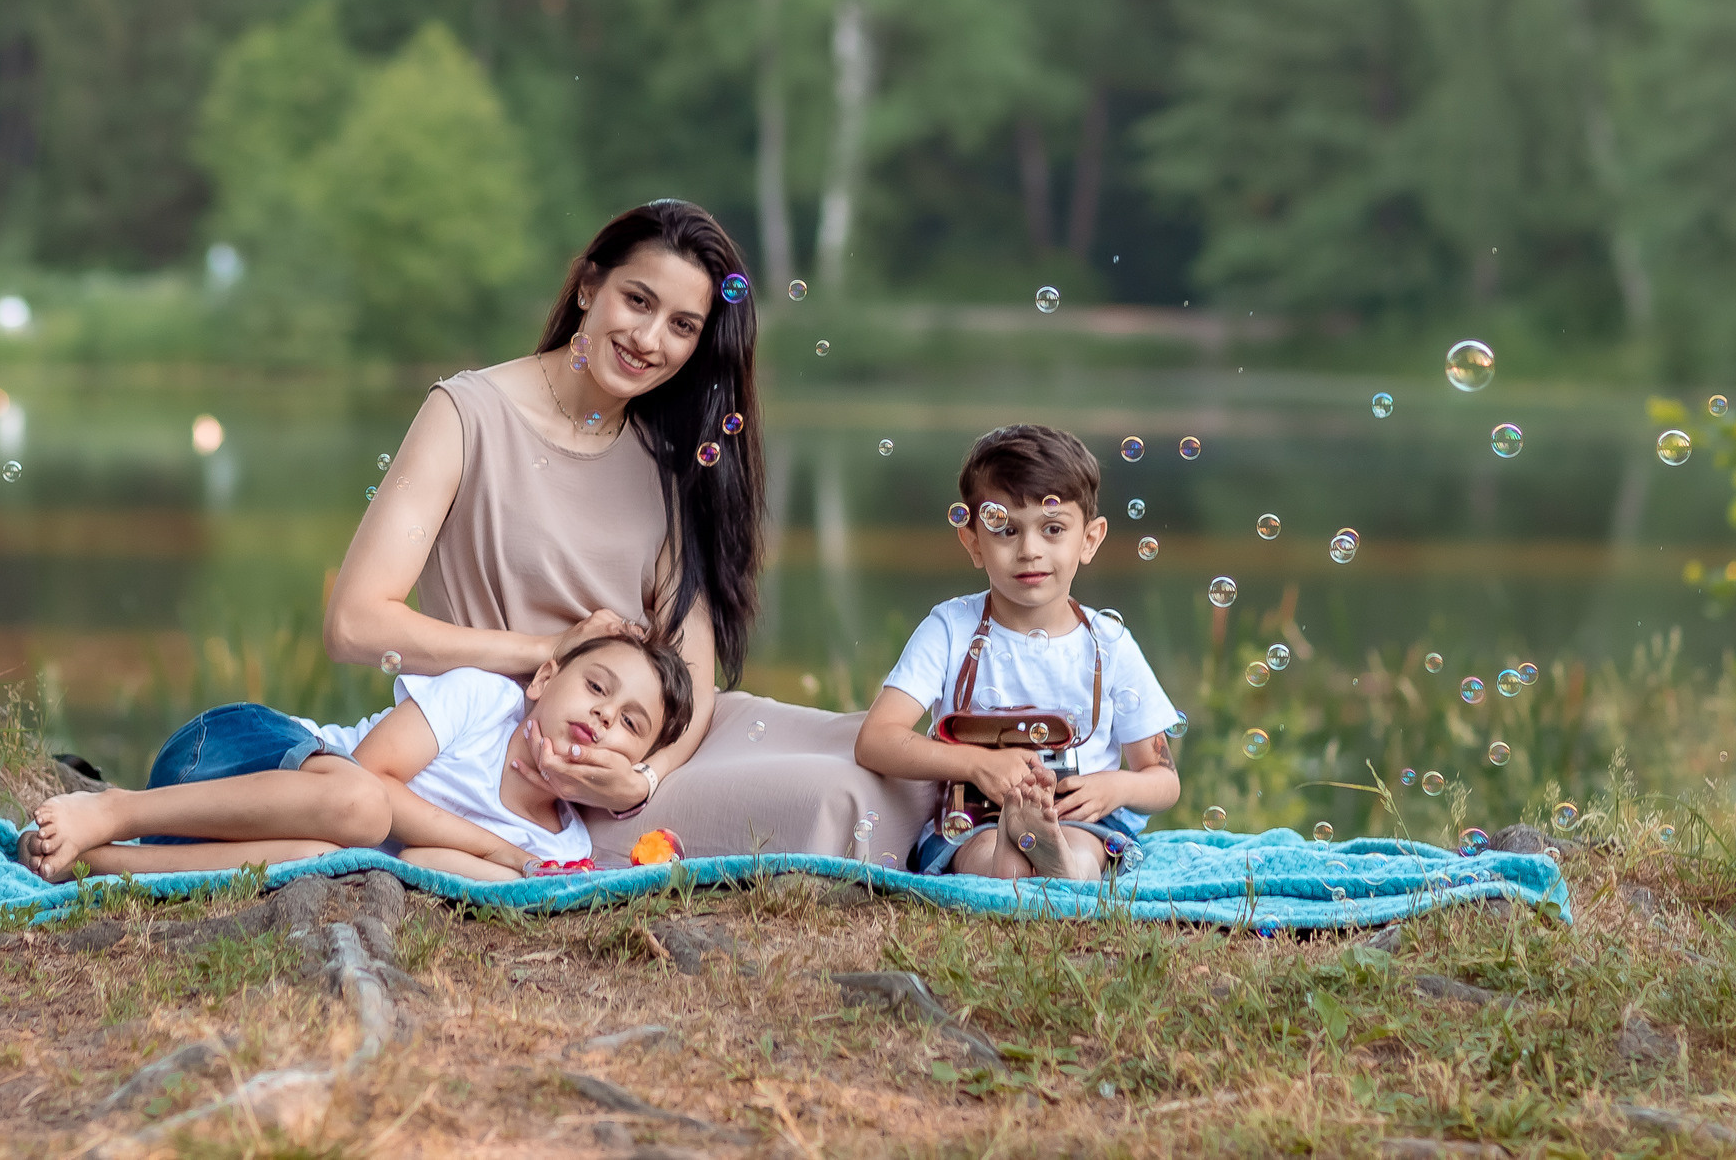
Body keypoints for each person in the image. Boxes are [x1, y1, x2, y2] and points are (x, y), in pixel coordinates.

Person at [317, 198, 934, 860]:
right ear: (589, 286)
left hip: (648, 743)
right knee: (839, 793)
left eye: (682, 325)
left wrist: (644, 777)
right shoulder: (467, 415)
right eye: (637, 300)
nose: (649, 339)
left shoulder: (666, 459)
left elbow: (692, 676)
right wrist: (543, 649)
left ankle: (990, 837)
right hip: (543, 762)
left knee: (890, 759)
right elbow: (354, 624)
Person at [18, 634, 694, 883]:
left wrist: (522, 868)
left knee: (332, 862)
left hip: (233, 842)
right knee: (362, 808)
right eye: (597, 686)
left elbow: (423, 865)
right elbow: (370, 771)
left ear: (631, 762)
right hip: (233, 754)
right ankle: (115, 807)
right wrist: (499, 850)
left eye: (630, 723)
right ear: (544, 679)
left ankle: (102, 864)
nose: (605, 715)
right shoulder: (487, 701)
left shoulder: (557, 843)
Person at [854, 425, 1182, 880]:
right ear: (973, 543)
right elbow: (876, 739)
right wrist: (977, 763)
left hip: (1080, 819)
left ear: (1089, 539)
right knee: (984, 853)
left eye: (1052, 529)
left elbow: (1163, 779)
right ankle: (1015, 851)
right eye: (1005, 530)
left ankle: (1060, 862)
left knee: (1085, 850)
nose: (1029, 550)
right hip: (974, 817)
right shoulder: (951, 629)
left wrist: (1115, 786)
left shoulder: (1108, 643)